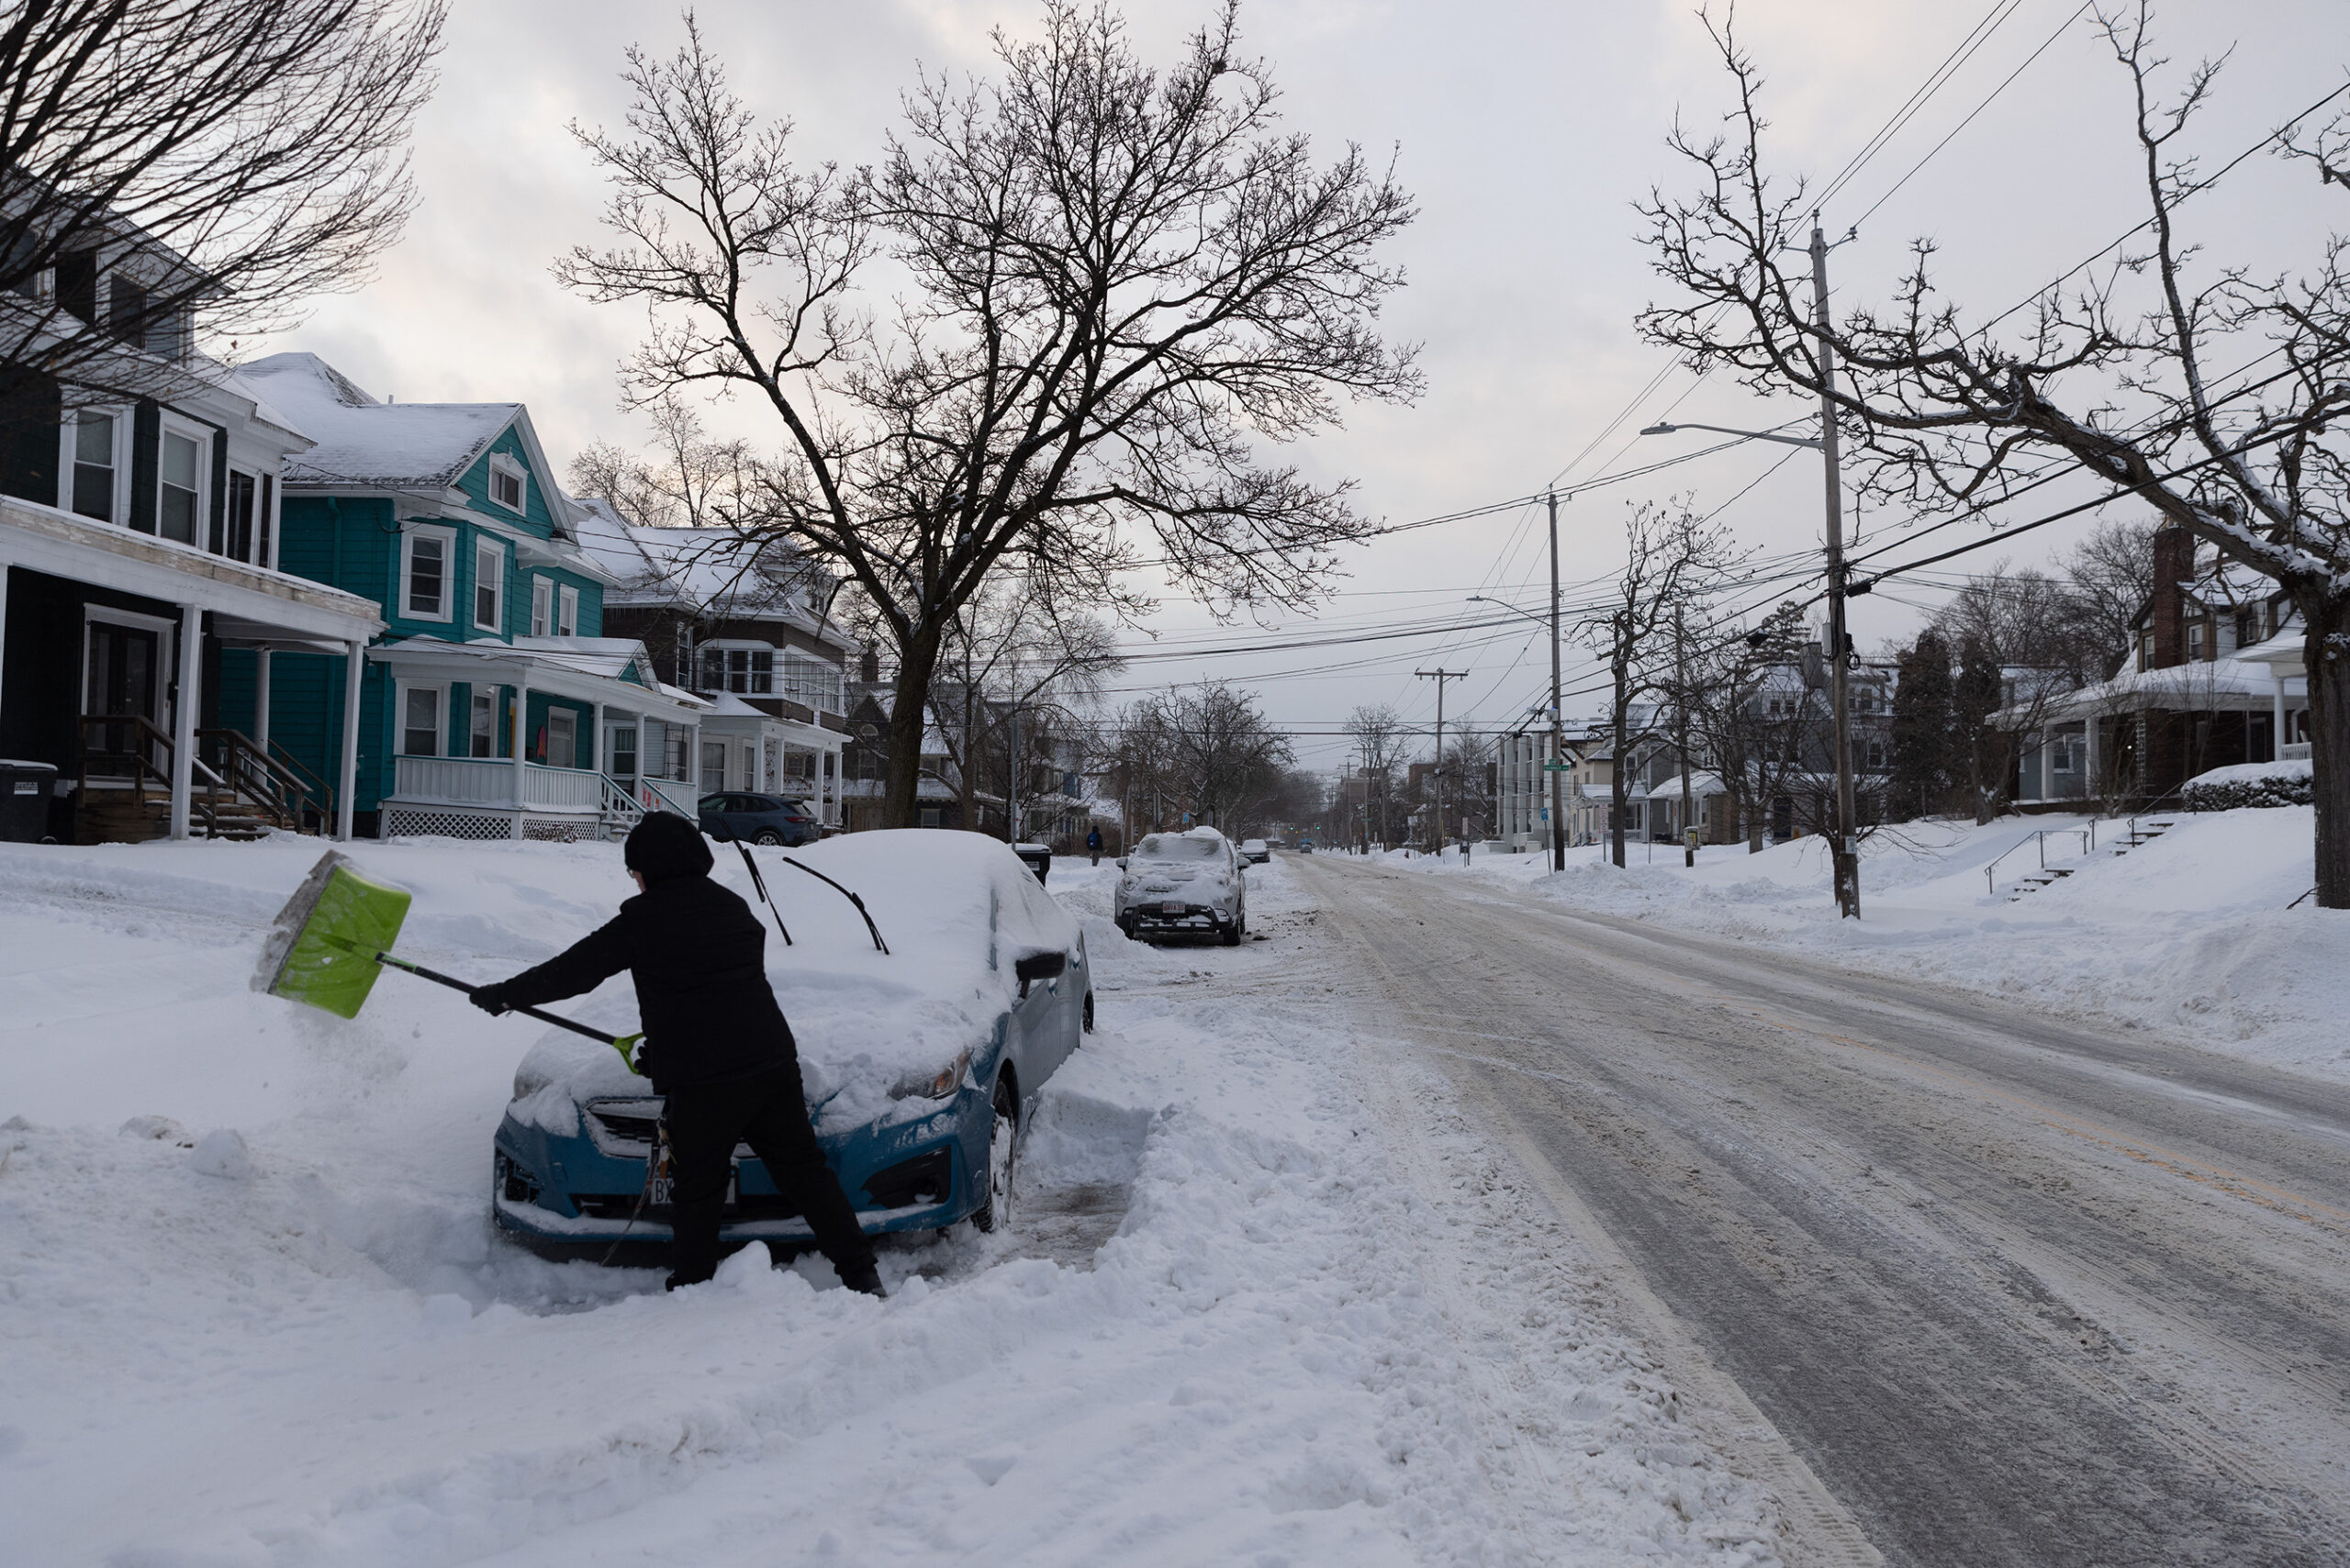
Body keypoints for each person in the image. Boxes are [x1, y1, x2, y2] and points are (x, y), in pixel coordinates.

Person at [470, 812, 884, 1297]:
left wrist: (505, 994)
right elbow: (714, 991)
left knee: (698, 1188)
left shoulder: (643, 919)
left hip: (705, 1081)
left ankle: (691, 1288)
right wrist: (667, 1050)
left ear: (653, 866)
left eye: (635, 870)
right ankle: (861, 1274)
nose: (635, 880)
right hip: (770, 1062)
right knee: (806, 1174)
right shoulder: (733, 907)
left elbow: (573, 972)